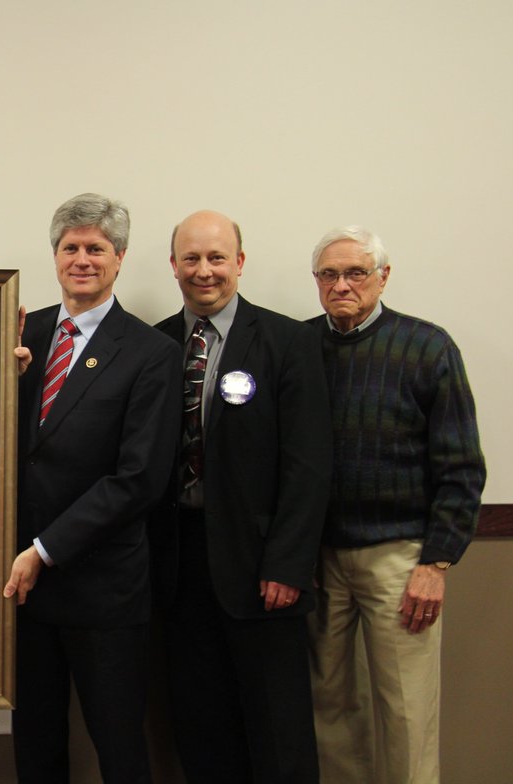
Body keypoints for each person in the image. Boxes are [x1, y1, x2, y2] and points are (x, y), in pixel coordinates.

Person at [3, 193, 180, 782]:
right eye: (70, 247)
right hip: (22, 590)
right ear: (55, 255)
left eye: (96, 249)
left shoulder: (152, 352)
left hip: (102, 588)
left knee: (119, 747)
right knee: (35, 745)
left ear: (119, 257)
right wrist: (6, 382)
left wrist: (44, 550)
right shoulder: (19, 333)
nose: (82, 259)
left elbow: (139, 479)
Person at [152, 210, 332, 783]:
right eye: (191, 259)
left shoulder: (288, 341)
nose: (204, 271)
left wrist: (288, 564)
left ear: (240, 262)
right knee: (200, 724)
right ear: (174, 265)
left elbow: (308, 465)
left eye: (217, 258)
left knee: (277, 727)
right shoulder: (154, 344)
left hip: (262, 568)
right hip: (178, 567)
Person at [306, 226, 486, 784]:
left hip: (400, 558)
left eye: (355, 273)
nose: (341, 285)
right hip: (317, 559)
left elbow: (461, 467)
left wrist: (436, 563)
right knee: (328, 706)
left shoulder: (428, 347)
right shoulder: (299, 347)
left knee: (407, 709)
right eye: (329, 274)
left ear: (383, 277)